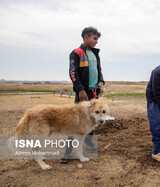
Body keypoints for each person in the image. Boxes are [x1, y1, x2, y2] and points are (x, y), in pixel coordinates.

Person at [61, 26, 105, 164]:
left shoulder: (95, 54)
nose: (96, 41)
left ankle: (89, 143)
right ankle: (68, 152)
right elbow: (73, 73)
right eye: (95, 38)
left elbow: (99, 70)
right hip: (83, 95)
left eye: (97, 39)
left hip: (94, 94)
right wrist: (80, 89)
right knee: (76, 124)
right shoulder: (76, 53)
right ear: (86, 37)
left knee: (92, 120)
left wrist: (101, 81)